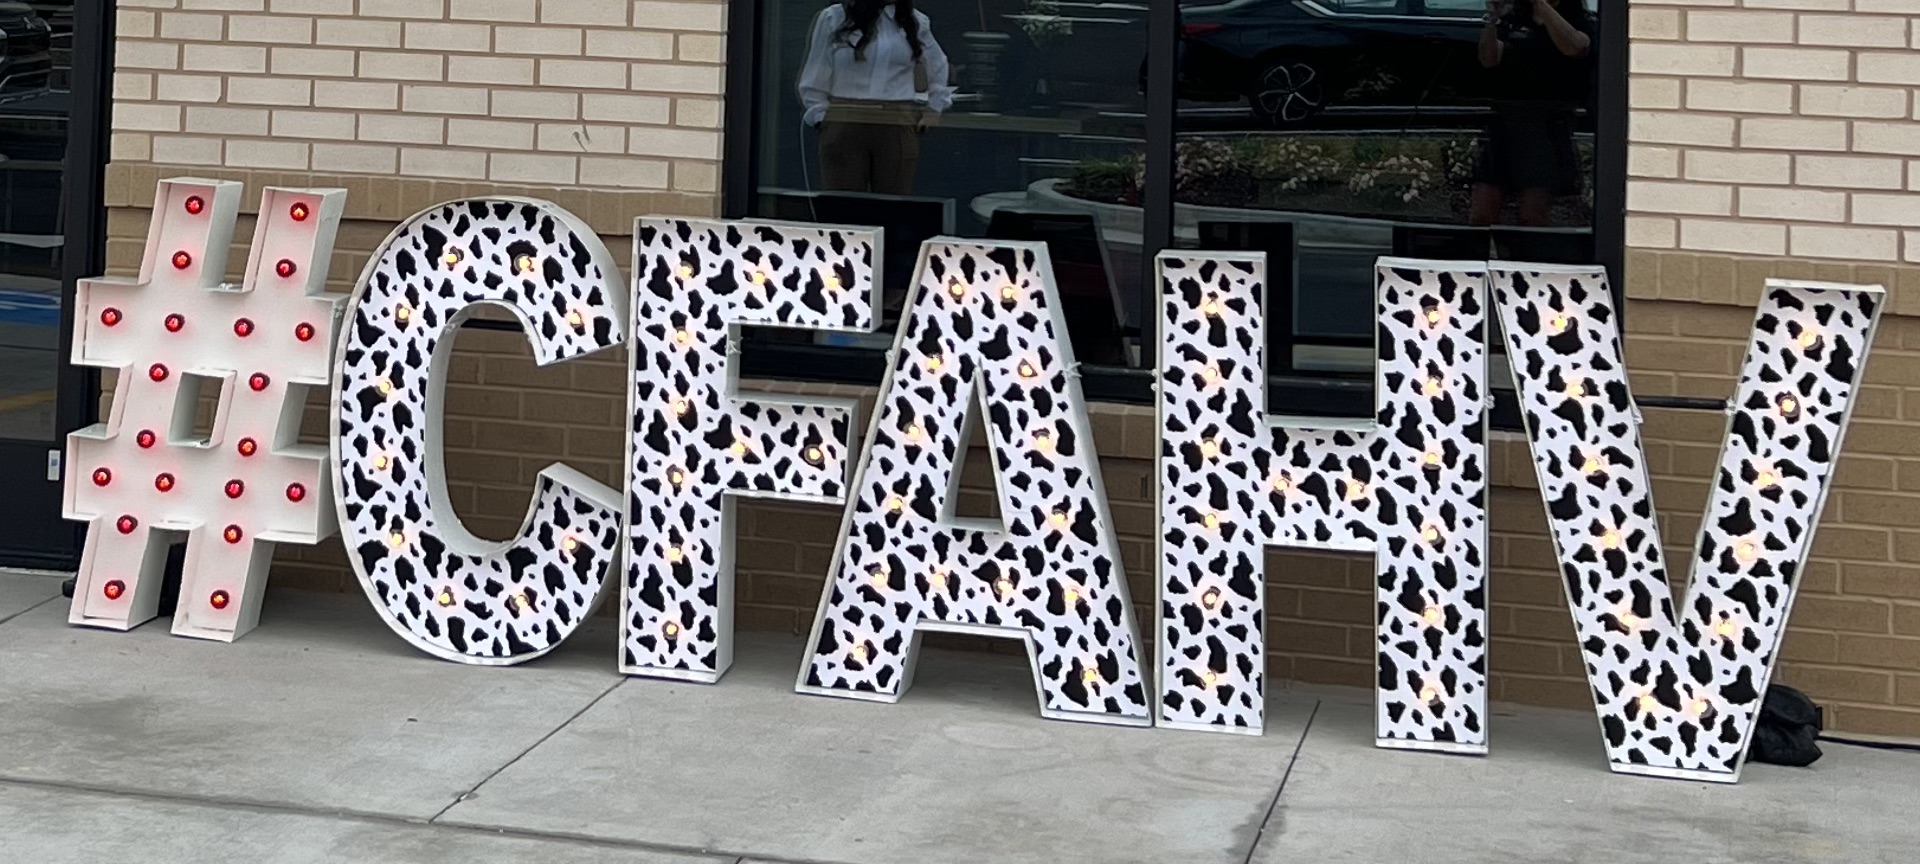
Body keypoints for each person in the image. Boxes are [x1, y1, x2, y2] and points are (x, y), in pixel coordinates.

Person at [797, 0, 954, 196]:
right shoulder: (834, 17)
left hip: (896, 121)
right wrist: (823, 118)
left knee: (893, 205)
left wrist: (934, 109)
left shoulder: (915, 21)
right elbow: (815, 76)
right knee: (843, 205)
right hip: (845, 119)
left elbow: (938, 66)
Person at [1469, 0, 1593, 227]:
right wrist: (1492, 21)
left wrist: (1541, 5)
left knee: (1532, 216)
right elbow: (1489, 59)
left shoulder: (1577, 19)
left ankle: (1525, 256)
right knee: (1481, 214)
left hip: (1546, 123)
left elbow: (1575, 47)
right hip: (1506, 119)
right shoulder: (1515, 18)